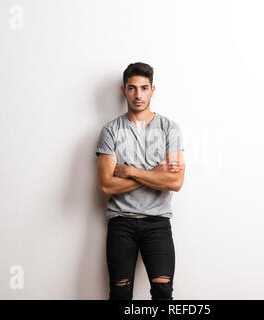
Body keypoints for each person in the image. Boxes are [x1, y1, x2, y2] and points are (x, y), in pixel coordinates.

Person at [95, 62, 186, 300]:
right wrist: (156, 173)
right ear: (123, 90)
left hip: (158, 222)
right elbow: (106, 185)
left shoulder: (170, 129)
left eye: (144, 88)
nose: (138, 94)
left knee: (163, 292)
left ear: (152, 90)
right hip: (121, 222)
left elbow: (175, 182)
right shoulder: (111, 131)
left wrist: (131, 172)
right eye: (132, 88)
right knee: (120, 293)